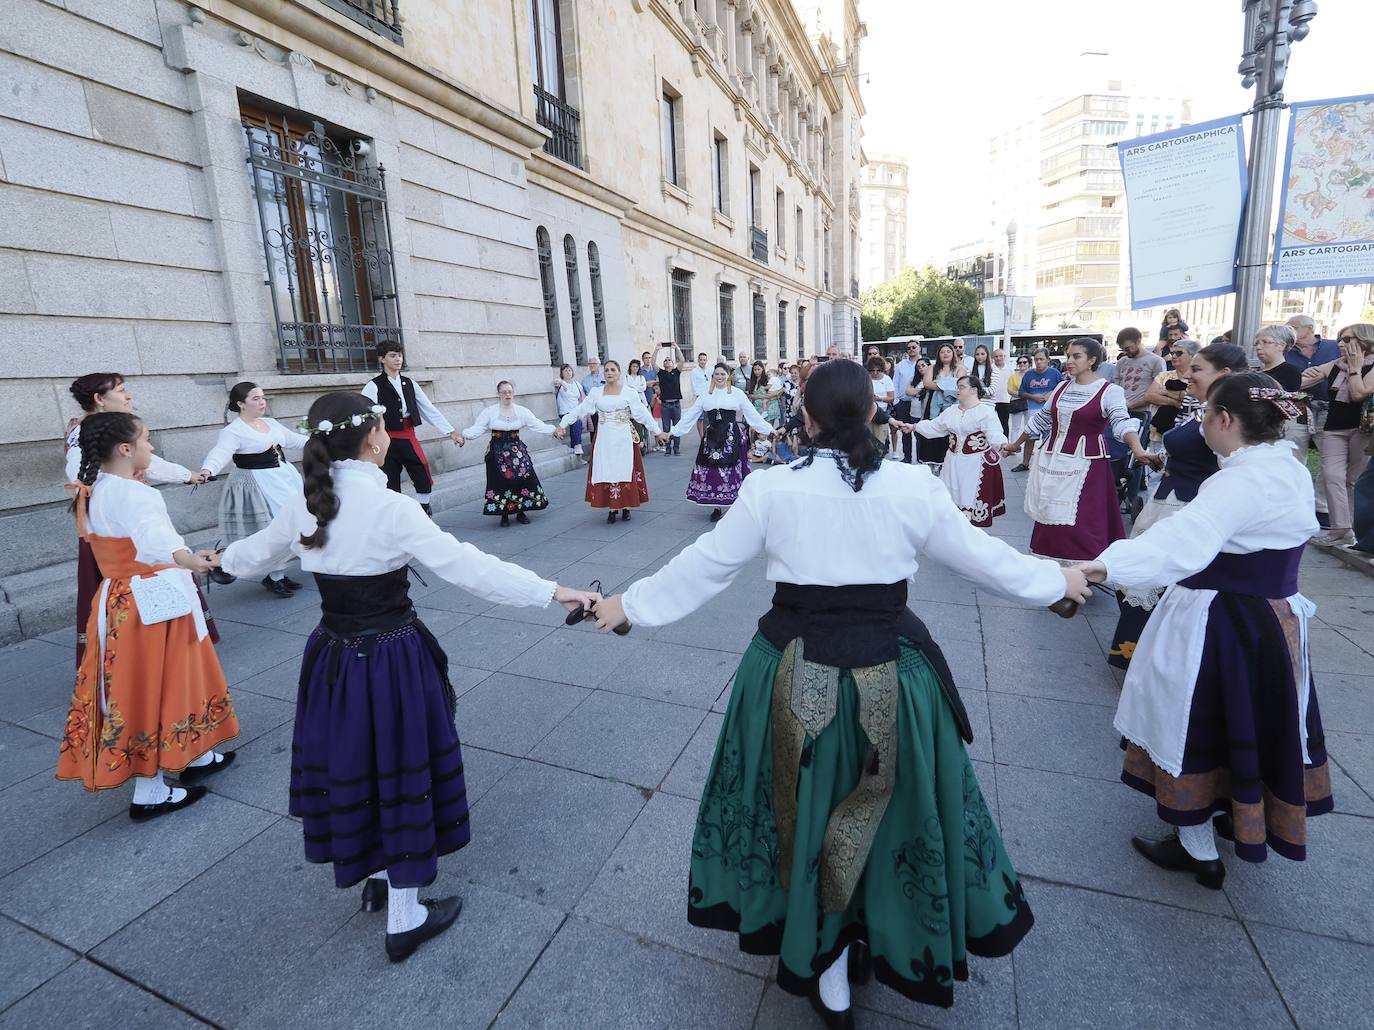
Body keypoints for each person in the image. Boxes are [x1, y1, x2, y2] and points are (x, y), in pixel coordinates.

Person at [589, 359, 1090, 1022]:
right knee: (895, 811)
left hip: (791, 673)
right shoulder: (913, 485)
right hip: (894, 675)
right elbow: (986, 559)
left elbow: (707, 567)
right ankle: (877, 929)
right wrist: (1058, 584)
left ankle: (822, 954)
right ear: (876, 413)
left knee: (799, 808)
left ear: (804, 417)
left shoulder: (772, 489)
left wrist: (630, 605)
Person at [219, 392, 599, 962]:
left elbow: (249, 557)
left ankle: (376, 876)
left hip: (332, 657)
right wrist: (553, 591)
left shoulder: (307, 503)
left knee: (354, 764)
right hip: (391, 657)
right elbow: (471, 568)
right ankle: (405, 913)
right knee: (398, 769)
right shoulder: (391, 509)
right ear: (375, 438)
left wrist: (205, 559)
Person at [1074, 373, 1331, 889]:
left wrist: (1094, 569)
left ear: (1225, 420)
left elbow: (1178, 543)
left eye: (1204, 414)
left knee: (1194, 723)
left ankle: (1197, 847)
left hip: (1221, 623)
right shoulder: (1286, 466)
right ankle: (1238, 815)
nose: (1201, 424)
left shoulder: (1239, 481)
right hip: (1272, 622)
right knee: (1252, 720)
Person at [58, 412, 238, 820]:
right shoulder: (134, 494)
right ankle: (150, 790)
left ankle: (190, 754)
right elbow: (158, 545)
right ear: (126, 449)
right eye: (146, 440)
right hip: (149, 601)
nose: (151, 448)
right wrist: (196, 560)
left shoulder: (92, 488)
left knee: (146, 683)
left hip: (117, 600)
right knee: (157, 684)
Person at [1107, 344, 1248, 668]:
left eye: (1196, 369)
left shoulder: (1230, 418)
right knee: (1141, 577)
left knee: (1161, 580)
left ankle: (1161, 657)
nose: (1186, 374)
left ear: (1224, 375)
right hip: (1168, 496)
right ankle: (1140, 650)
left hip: (1188, 505)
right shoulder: (1200, 407)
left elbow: (1231, 464)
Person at [63, 373, 210, 667]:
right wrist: (187, 558)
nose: (128, 395)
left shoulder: (108, 471)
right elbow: (81, 473)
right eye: (121, 390)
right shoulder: (116, 477)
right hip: (127, 547)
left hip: (122, 539)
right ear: (99, 400)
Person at [1003, 338, 1149, 561]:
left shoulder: (1110, 391)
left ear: (1092, 360)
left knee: (1081, 519)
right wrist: (1015, 444)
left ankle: (1082, 570)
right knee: (1050, 512)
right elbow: (1041, 420)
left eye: (1076, 356)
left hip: (1087, 465)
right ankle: (1051, 565)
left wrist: (1138, 450)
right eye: (1068, 355)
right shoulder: (1061, 387)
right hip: (1052, 459)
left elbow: (1121, 422)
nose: (1069, 361)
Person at [198, 382, 310, 597]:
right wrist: (207, 469)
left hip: (284, 477)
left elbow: (295, 441)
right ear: (241, 404)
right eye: (255, 398)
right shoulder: (234, 431)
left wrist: (324, 437)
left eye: (262, 397)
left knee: (294, 523)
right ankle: (274, 576)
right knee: (272, 526)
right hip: (259, 483)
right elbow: (220, 453)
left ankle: (278, 574)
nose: (262, 402)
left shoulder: (270, 423)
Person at [360, 343, 462, 516]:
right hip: (385, 442)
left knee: (422, 472)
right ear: (382, 359)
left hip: (408, 437)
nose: (398, 359)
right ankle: (395, 516)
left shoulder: (410, 384)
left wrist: (451, 432)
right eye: (393, 355)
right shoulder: (373, 386)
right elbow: (365, 415)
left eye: (399, 355)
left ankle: (423, 509)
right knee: (389, 480)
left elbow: (429, 409)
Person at [558, 359, 665, 523]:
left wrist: (657, 431)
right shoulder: (596, 392)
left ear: (619, 373)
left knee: (624, 468)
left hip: (623, 436)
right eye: (607, 370)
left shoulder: (628, 392)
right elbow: (581, 409)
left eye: (613, 370)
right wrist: (563, 424)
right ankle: (612, 507)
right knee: (606, 468)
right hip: (604, 437)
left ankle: (626, 506)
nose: (609, 373)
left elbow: (642, 413)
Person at [671, 364, 779, 521]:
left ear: (728, 375)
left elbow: (752, 414)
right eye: (716, 374)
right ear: (713, 376)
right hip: (712, 438)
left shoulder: (737, 394)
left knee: (731, 469)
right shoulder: (706, 395)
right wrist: (674, 432)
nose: (719, 377)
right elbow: (691, 414)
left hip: (730, 437)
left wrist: (769, 429)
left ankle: (737, 504)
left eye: (722, 374)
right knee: (713, 470)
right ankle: (716, 505)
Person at [1301, 323, 1374, 545]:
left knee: (1354, 480)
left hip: (1363, 429)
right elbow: (1302, 381)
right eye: (1340, 339)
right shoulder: (1335, 364)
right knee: (1332, 476)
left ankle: (1353, 528)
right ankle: (1340, 528)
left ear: (1365, 341)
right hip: (1334, 428)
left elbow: (1358, 393)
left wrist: (1354, 368)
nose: (1341, 344)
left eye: (1347, 339)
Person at [458, 381, 563, 527]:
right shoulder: (489, 412)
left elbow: (537, 424)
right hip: (497, 450)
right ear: (498, 394)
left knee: (523, 479)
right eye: (504, 392)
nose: (508, 395)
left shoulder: (522, 411)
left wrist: (553, 431)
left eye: (510, 392)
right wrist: (464, 436)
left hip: (516, 451)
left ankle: (521, 512)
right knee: (500, 482)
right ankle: (504, 514)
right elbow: (478, 428)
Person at [912, 375, 1007, 527]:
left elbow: (994, 432)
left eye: (961, 386)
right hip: (952, 462)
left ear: (974, 390)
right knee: (951, 494)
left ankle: (971, 535)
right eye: (957, 386)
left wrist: (1003, 445)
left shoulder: (985, 412)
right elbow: (935, 427)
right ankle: (954, 532)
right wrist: (914, 426)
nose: (957, 389)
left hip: (975, 464)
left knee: (969, 495)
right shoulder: (952, 411)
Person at [1285, 314, 1339, 526]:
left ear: (1309, 329)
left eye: (1293, 327)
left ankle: (1322, 508)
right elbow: (1288, 383)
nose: (1289, 330)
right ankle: (1292, 504)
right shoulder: (1286, 351)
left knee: (1331, 461)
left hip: (1328, 408)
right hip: (1297, 408)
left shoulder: (1333, 347)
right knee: (1293, 456)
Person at [1012, 348, 1063, 472]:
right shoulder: (1029, 374)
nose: (1039, 362)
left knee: (1049, 438)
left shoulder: (1055, 373)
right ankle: (1025, 463)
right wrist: (1033, 396)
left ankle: (1048, 465)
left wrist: (1051, 394)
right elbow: (1021, 392)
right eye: (1036, 359)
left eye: (1041, 359)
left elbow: (1062, 389)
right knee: (1030, 436)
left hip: (1051, 412)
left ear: (1048, 360)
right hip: (1033, 410)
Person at [1112, 327, 1165, 416]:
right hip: (1120, 411)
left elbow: (1158, 391)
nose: (1125, 352)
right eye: (1122, 349)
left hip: (1143, 413)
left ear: (1138, 341)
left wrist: (1131, 405)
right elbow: (1116, 387)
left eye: (1128, 348)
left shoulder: (1156, 361)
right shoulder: (1122, 362)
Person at [891, 342, 922, 461]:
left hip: (919, 403)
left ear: (919, 348)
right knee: (905, 431)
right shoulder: (901, 365)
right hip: (903, 403)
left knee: (919, 431)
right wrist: (896, 402)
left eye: (914, 347)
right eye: (908, 348)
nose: (911, 349)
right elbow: (895, 383)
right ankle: (907, 457)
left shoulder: (924, 363)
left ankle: (921, 458)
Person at [553, 364, 587, 463]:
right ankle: (577, 446)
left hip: (576, 412)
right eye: (565, 370)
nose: (568, 372)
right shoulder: (560, 383)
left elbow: (582, 398)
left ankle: (576, 449)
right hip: (565, 412)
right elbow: (555, 382)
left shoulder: (577, 384)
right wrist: (564, 384)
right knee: (577, 423)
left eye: (569, 370)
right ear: (562, 373)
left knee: (577, 424)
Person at [657, 347, 685, 455]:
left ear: (673, 364)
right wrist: (656, 349)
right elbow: (653, 362)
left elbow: (682, 360)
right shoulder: (661, 373)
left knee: (677, 427)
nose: (667, 361)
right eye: (665, 360)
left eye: (669, 360)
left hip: (676, 404)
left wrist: (677, 348)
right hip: (665, 405)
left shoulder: (676, 372)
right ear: (664, 364)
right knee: (666, 427)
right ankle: (668, 448)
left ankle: (676, 448)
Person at [866, 356, 896, 454]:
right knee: (867, 440)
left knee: (880, 440)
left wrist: (880, 398)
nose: (875, 372)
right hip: (868, 411)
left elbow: (891, 397)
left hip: (882, 412)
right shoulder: (866, 378)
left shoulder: (886, 379)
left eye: (878, 370)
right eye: (872, 370)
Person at [1006, 354, 1030, 450]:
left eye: (1024, 362)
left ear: (1029, 363)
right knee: (1015, 426)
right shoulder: (1013, 376)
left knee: (1029, 426)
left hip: (1030, 403)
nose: (1022, 364)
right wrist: (1023, 394)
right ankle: (1014, 446)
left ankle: (1029, 447)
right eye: (1020, 362)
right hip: (1017, 403)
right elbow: (1010, 390)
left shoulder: (1033, 375)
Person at [989, 349, 1012, 436]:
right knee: (991, 424)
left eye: (1000, 356)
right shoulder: (990, 368)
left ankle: (1005, 443)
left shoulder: (1010, 369)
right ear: (993, 357)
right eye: (996, 356)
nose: (998, 358)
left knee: (1004, 424)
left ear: (1004, 357)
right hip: (991, 400)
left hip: (1005, 400)